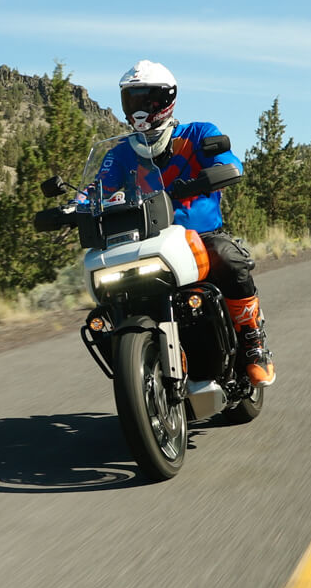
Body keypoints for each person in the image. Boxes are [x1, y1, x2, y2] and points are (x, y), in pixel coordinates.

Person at [102, 60, 275, 387]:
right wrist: (76, 206)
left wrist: (218, 172)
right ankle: (139, 358)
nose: (139, 108)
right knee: (112, 291)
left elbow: (228, 161)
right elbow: (98, 188)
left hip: (198, 237)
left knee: (228, 256)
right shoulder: (121, 152)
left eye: (146, 99)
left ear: (166, 100)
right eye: (132, 100)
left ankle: (253, 341)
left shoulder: (197, 134)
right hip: (144, 240)